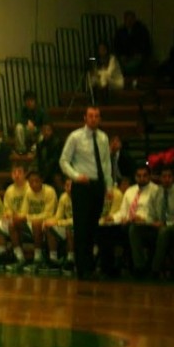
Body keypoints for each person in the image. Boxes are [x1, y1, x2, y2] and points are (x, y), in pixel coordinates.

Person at [59, 105, 113, 280]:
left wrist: (109, 186)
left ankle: (89, 265)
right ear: (84, 118)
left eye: (97, 116)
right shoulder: (75, 137)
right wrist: (75, 176)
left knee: (92, 227)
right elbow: (64, 161)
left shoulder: (104, 137)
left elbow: (106, 164)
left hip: (98, 185)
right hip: (82, 185)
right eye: (90, 116)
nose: (94, 119)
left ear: (100, 118)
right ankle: (81, 268)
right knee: (81, 227)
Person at [103, 164, 158, 277]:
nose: (142, 178)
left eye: (144, 175)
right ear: (135, 177)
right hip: (128, 223)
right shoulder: (130, 191)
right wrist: (113, 217)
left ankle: (140, 268)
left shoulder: (156, 191)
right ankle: (109, 268)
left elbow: (157, 215)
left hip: (147, 226)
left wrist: (143, 219)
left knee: (134, 229)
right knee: (106, 229)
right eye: (139, 176)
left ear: (150, 176)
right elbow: (123, 211)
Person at [9, 170, 57, 271]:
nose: (33, 184)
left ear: (42, 180)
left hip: (49, 222)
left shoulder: (49, 191)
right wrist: (17, 216)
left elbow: (49, 214)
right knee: (13, 223)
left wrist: (27, 217)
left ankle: (38, 258)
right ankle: (20, 258)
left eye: (36, 181)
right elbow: (23, 211)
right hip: (33, 221)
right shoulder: (28, 192)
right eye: (31, 182)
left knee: (36, 223)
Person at [43, 178, 75, 270]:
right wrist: (48, 221)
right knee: (49, 227)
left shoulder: (81, 197)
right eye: (67, 185)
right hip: (67, 225)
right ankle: (53, 259)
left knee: (68, 228)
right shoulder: (63, 197)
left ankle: (70, 259)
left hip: (81, 227)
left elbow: (78, 219)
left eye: (71, 185)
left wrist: (58, 222)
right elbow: (58, 216)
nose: (69, 188)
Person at [113, 10, 153, 77]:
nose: (129, 21)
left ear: (134, 19)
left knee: (131, 67)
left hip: (137, 56)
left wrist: (139, 54)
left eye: (131, 19)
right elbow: (117, 45)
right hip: (124, 57)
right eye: (127, 19)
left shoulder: (141, 30)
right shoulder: (120, 31)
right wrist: (121, 55)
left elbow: (145, 45)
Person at [14, 90, 47, 154]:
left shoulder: (41, 111)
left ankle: (37, 149)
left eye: (31, 101)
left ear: (35, 101)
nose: (29, 103)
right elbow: (17, 119)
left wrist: (35, 128)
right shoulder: (22, 110)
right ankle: (21, 149)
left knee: (43, 133)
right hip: (27, 131)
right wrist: (27, 122)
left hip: (38, 131)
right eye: (27, 101)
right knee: (18, 127)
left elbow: (45, 123)